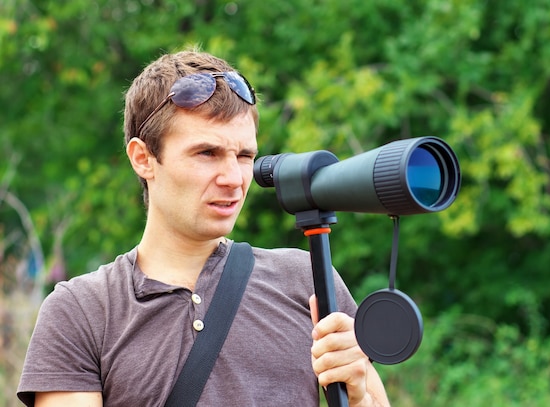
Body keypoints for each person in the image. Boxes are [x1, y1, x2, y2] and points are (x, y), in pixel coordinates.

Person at [17, 49, 390, 406]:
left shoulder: (307, 280)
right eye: (206, 153)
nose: (233, 178)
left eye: (244, 156)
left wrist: (358, 397)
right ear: (143, 158)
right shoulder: (82, 311)